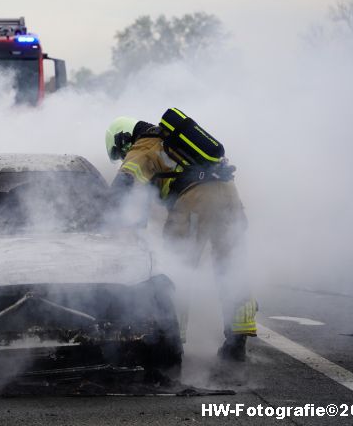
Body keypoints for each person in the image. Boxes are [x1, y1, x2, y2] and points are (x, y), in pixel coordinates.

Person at [105, 111, 256, 362]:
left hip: (195, 202)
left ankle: (172, 347)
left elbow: (126, 183)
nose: (122, 157)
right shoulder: (176, 144)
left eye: (120, 152)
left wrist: (101, 212)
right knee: (231, 268)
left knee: (177, 270)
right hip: (230, 198)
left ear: (123, 140)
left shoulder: (144, 144)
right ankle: (236, 344)